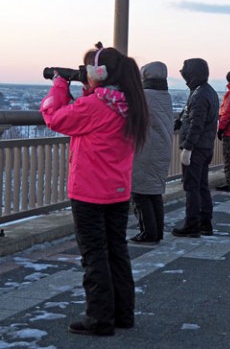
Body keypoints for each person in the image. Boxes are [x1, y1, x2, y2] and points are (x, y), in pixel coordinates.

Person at [40, 42, 149, 336]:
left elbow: (54, 117)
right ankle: (123, 314)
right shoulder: (130, 104)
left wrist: (59, 85)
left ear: (98, 73)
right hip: (118, 191)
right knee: (117, 251)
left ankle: (99, 318)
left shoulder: (94, 105)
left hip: (89, 193)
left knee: (94, 255)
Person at [172, 58, 219, 238]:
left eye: (185, 69)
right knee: (202, 186)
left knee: (192, 187)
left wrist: (187, 148)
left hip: (196, 148)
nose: (182, 72)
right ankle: (205, 223)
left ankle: (192, 224)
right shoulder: (208, 92)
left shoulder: (199, 95)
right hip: (205, 146)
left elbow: (196, 124)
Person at [130, 61, 174, 245]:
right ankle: (157, 231)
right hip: (162, 148)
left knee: (140, 193)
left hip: (145, 150)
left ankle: (148, 233)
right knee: (154, 193)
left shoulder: (144, 96)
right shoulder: (166, 96)